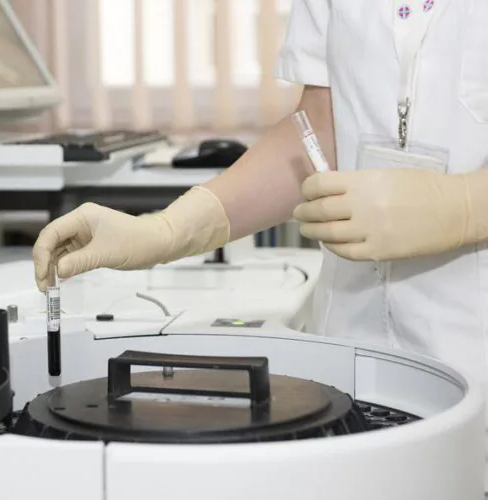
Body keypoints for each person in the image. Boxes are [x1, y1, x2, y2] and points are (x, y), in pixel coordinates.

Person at [33, 0, 488, 387]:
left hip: (474, 352)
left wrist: (467, 206)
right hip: (351, 345)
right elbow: (320, 131)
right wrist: (168, 230)